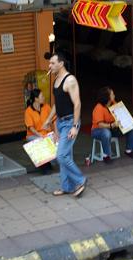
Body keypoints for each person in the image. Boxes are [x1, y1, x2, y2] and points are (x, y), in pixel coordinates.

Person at [43, 52, 86, 198]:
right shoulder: (56, 79)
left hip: (69, 122)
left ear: (61, 64)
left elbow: (77, 104)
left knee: (61, 156)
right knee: (66, 155)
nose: (50, 66)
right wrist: (49, 119)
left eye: (53, 63)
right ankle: (67, 187)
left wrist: (75, 126)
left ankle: (80, 180)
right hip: (61, 122)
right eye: (50, 63)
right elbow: (57, 104)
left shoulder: (70, 80)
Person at [91, 86, 133, 164]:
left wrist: (131, 122)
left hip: (112, 129)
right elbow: (100, 125)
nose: (114, 96)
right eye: (112, 94)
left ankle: (129, 150)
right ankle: (106, 155)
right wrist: (111, 125)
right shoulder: (98, 108)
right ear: (107, 97)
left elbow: (123, 117)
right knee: (106, 132)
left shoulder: (114, 104)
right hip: (97, 131)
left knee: (132, 128)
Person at [25, 88, 54, 174]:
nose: (44, 98)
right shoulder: (28, 111)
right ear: (36, 99)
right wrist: (39, 135)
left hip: (46, 133)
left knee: (50, 140)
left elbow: (53, 120)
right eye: (42, 96)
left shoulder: (46, 107)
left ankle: (48, 163)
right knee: (41, 142)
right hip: (33, 135)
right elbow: (30, 128)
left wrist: (55, 132)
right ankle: (44, 167)